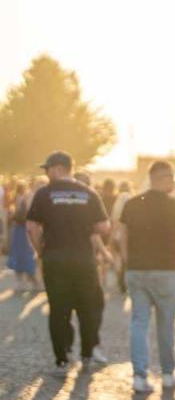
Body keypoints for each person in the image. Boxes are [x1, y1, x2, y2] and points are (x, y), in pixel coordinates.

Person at [23, 151, 109, 371]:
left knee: (59, 309)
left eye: (48, 169)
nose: (46, 173)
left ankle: (62, 358)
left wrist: (41, 251)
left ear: (58, 168)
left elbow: (32, 227)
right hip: (83, 259)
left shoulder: (44, 193)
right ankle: (87, 354)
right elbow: (103, 227)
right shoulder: (88, 193)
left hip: (55, 258)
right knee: (87, 308)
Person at [119, 160, 175, 392]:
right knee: (166, 325)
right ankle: (168, 374)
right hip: (167, 271)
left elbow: (123, 239)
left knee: (139, 322)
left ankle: (140, 376)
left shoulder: (131, 204)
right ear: (164, 178)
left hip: (137, 270)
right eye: (171, 178)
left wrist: (129, 264)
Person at [6, 180, 39, 292]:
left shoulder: (27, 196)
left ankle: (24, 283)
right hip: (25, 229)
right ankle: (30, 283)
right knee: (27, 255)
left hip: (21, 228)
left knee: (23, 255)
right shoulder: (31, 196)